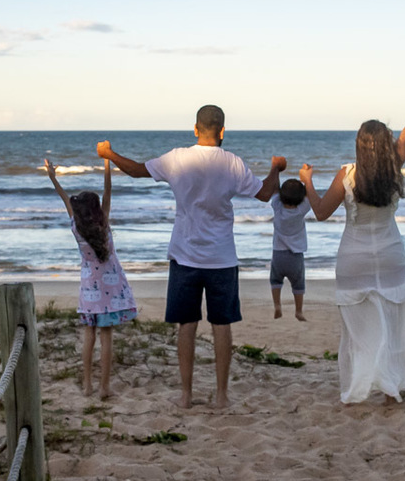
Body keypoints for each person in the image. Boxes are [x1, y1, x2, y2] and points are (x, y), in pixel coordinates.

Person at [98, 105, 286, 409]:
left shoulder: (177, 158)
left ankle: (186, 394)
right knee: (221, 325)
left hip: (185, 256)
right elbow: (265, 194)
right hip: (222, 258)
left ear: (195, 129)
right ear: (223, 131)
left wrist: (110, 154)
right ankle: (222, 395)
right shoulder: (232, 164)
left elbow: (135, 170)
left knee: (187, 325)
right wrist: (276, 168)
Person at [299, 54, 405, 404]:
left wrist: (307, 180)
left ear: (359, 145)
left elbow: (320, 212)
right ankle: (389, 385)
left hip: (353, 258)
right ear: (386, 144)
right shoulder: (394, 166)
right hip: (391, 254)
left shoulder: (347, 174)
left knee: (360, 330)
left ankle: (364, 384)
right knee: (393, 323)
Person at [45, 157, 138, 399]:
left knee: (89, 336)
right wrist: (107, 164)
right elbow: (108, 191)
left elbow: (65, 199)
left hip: (89, 290)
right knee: (106, 337)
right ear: (96, 210)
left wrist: (53, 178)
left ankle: (87, 384)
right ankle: (104, 387)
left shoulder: (76, 227)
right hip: (112, 287)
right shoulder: (103, 223)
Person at [269, 178, 311, 321]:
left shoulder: (277, 207)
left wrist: (277, 170)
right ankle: (298, 311)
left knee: (275, 281)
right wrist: (307, 179)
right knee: (298, 285)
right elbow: (309, 195)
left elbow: (274, 190)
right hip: (296, 256)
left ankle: (277, 305)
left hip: (278, 254)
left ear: (281, 195)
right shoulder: (302, 209)